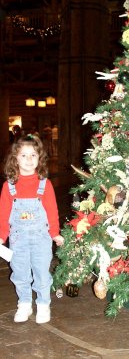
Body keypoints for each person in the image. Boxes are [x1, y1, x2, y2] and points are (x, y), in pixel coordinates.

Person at [0, 135, 64, 324]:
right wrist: (1, 236)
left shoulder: (45, 184)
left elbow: (52, 211)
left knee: (42, 272)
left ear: (40, 158)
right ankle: (25, 304)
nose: (29, 160)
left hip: (41, 238)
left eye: (33, 155)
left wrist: (55, 233)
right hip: (18, 239)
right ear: (15, 159)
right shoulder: (8, 186)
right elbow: (4, 214)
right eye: (23, 155)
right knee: (20, 272)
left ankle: (43, 305)